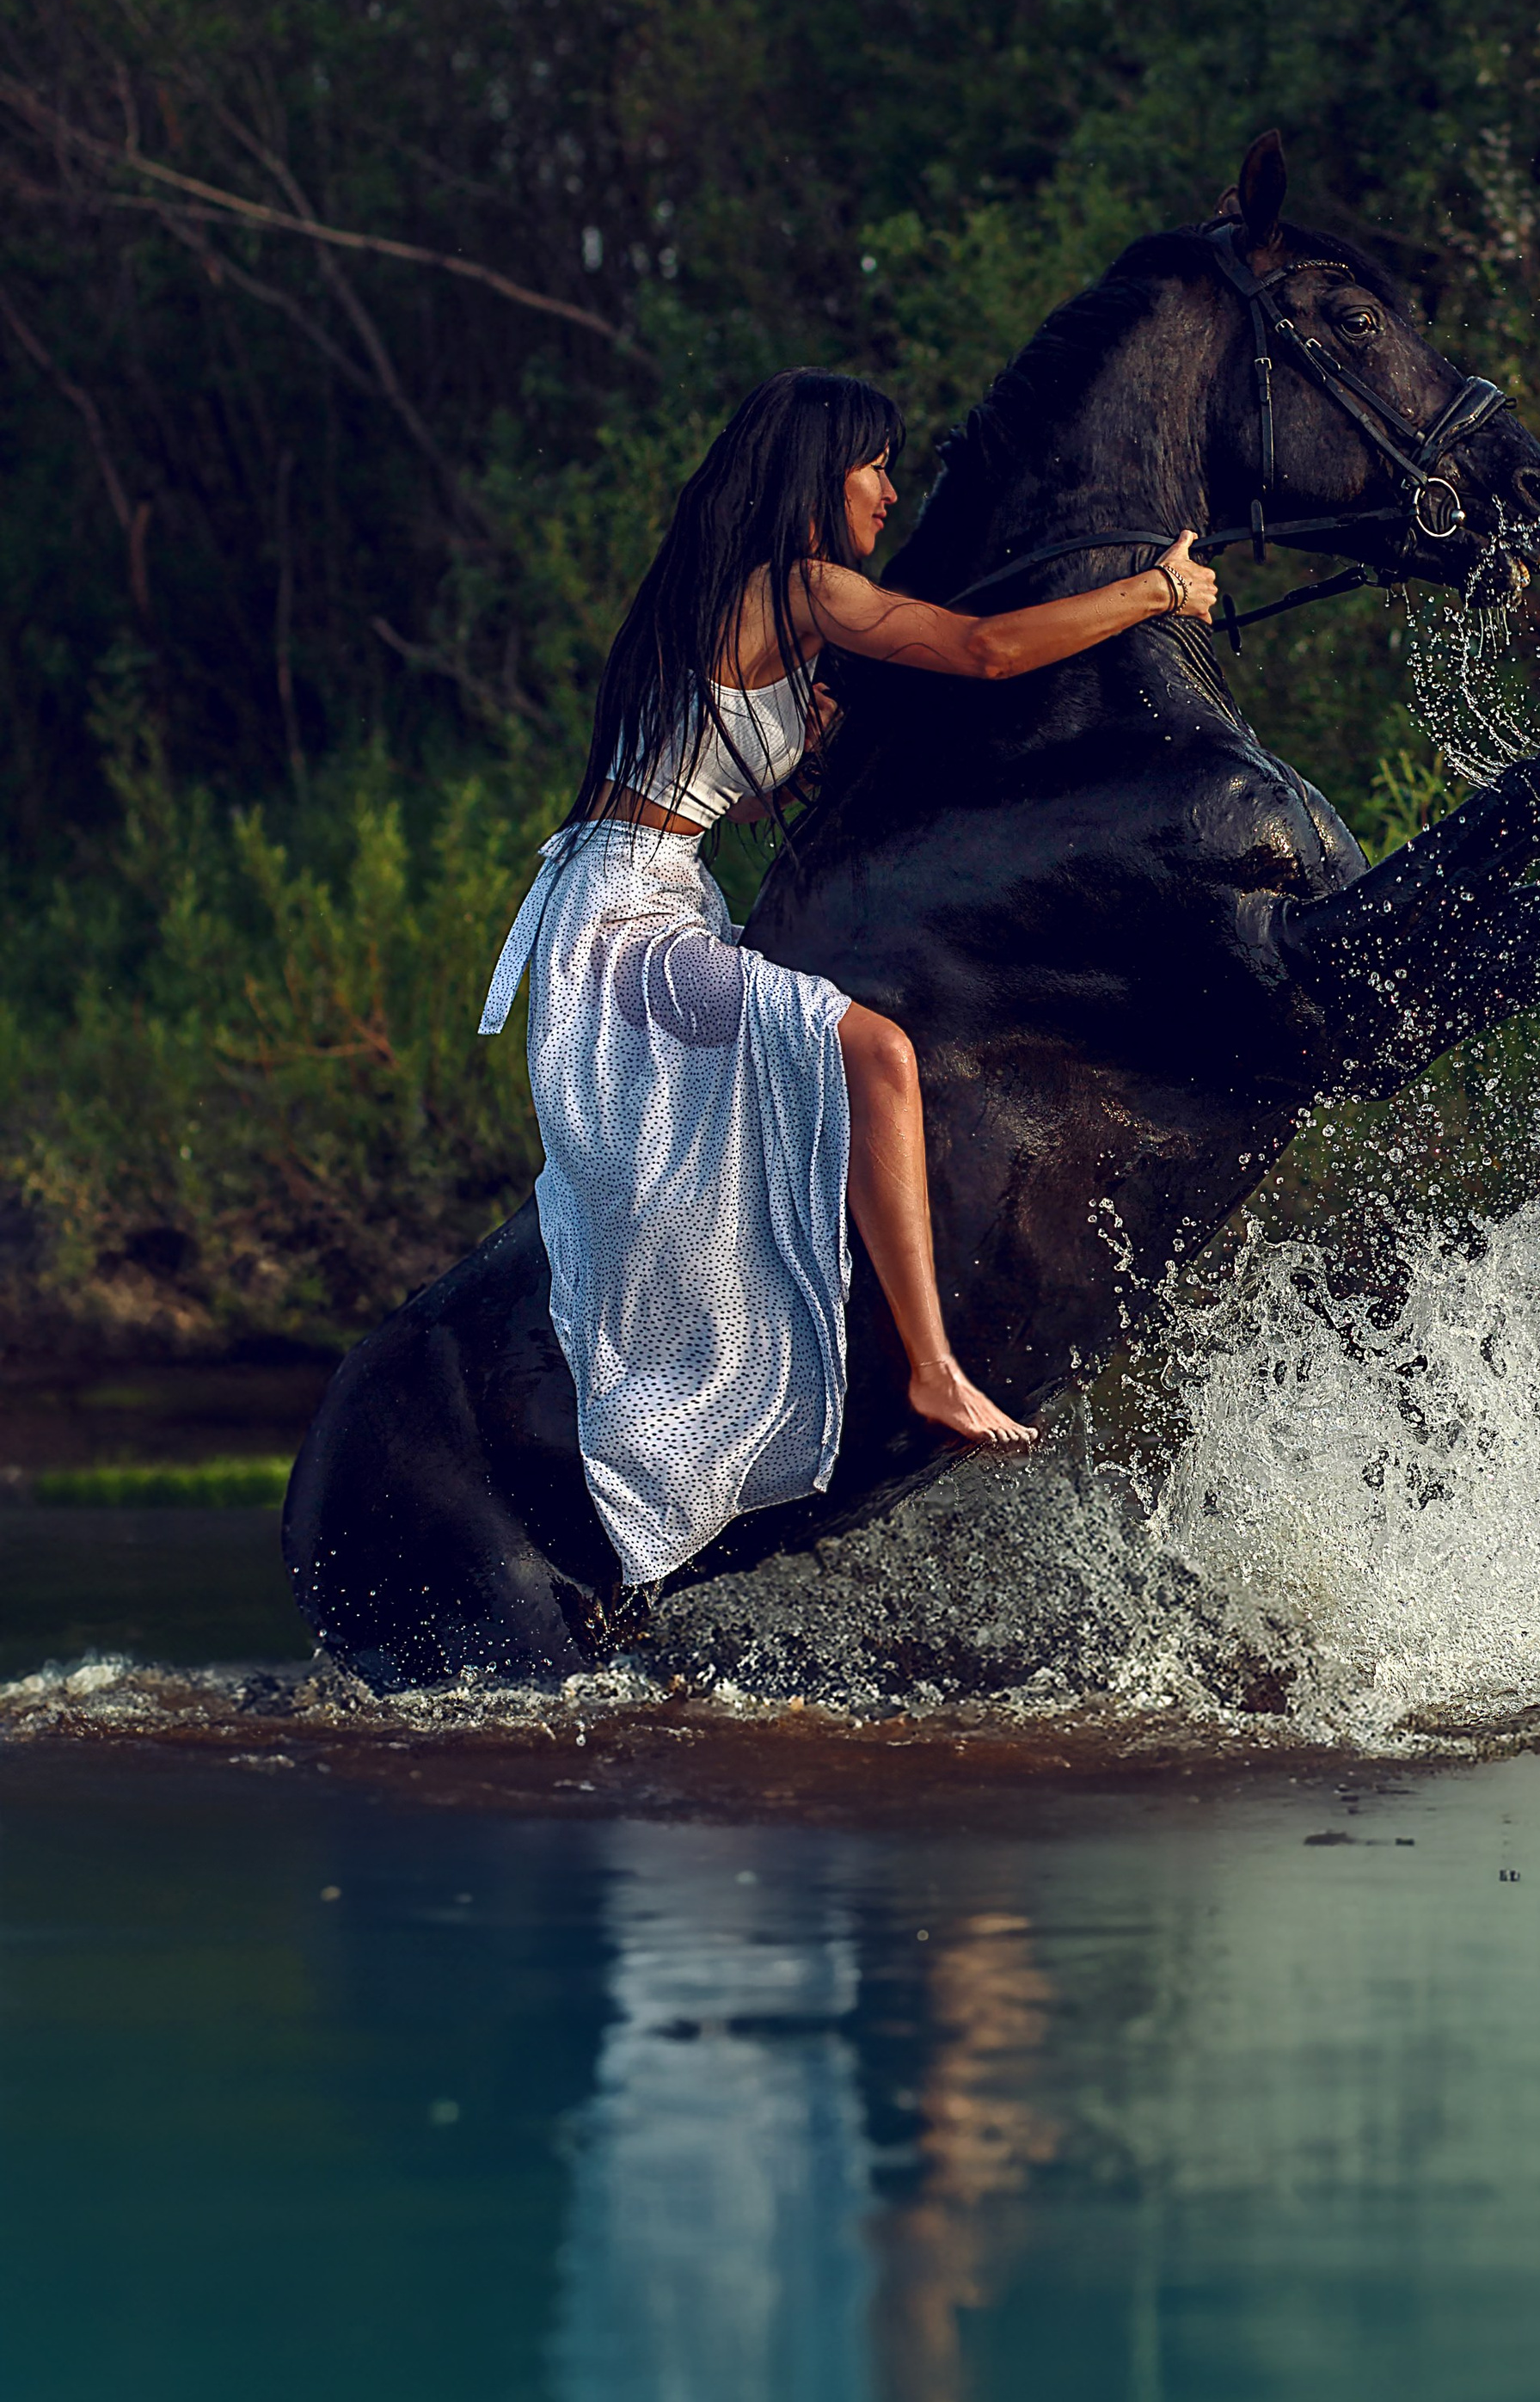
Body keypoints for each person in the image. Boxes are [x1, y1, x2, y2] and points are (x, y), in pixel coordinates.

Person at [479, 369, 1219, 1597]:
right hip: (623, 923)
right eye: (873, 465)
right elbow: (981, 651)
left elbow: (690, 779)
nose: (887, 489)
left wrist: (795, 750)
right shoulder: (804, 585)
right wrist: (1160, 589)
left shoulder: (723, 597)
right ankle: (930, 1369)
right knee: (873, 1050)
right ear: (821, 476)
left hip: (621, 897)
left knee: (805, 1086)